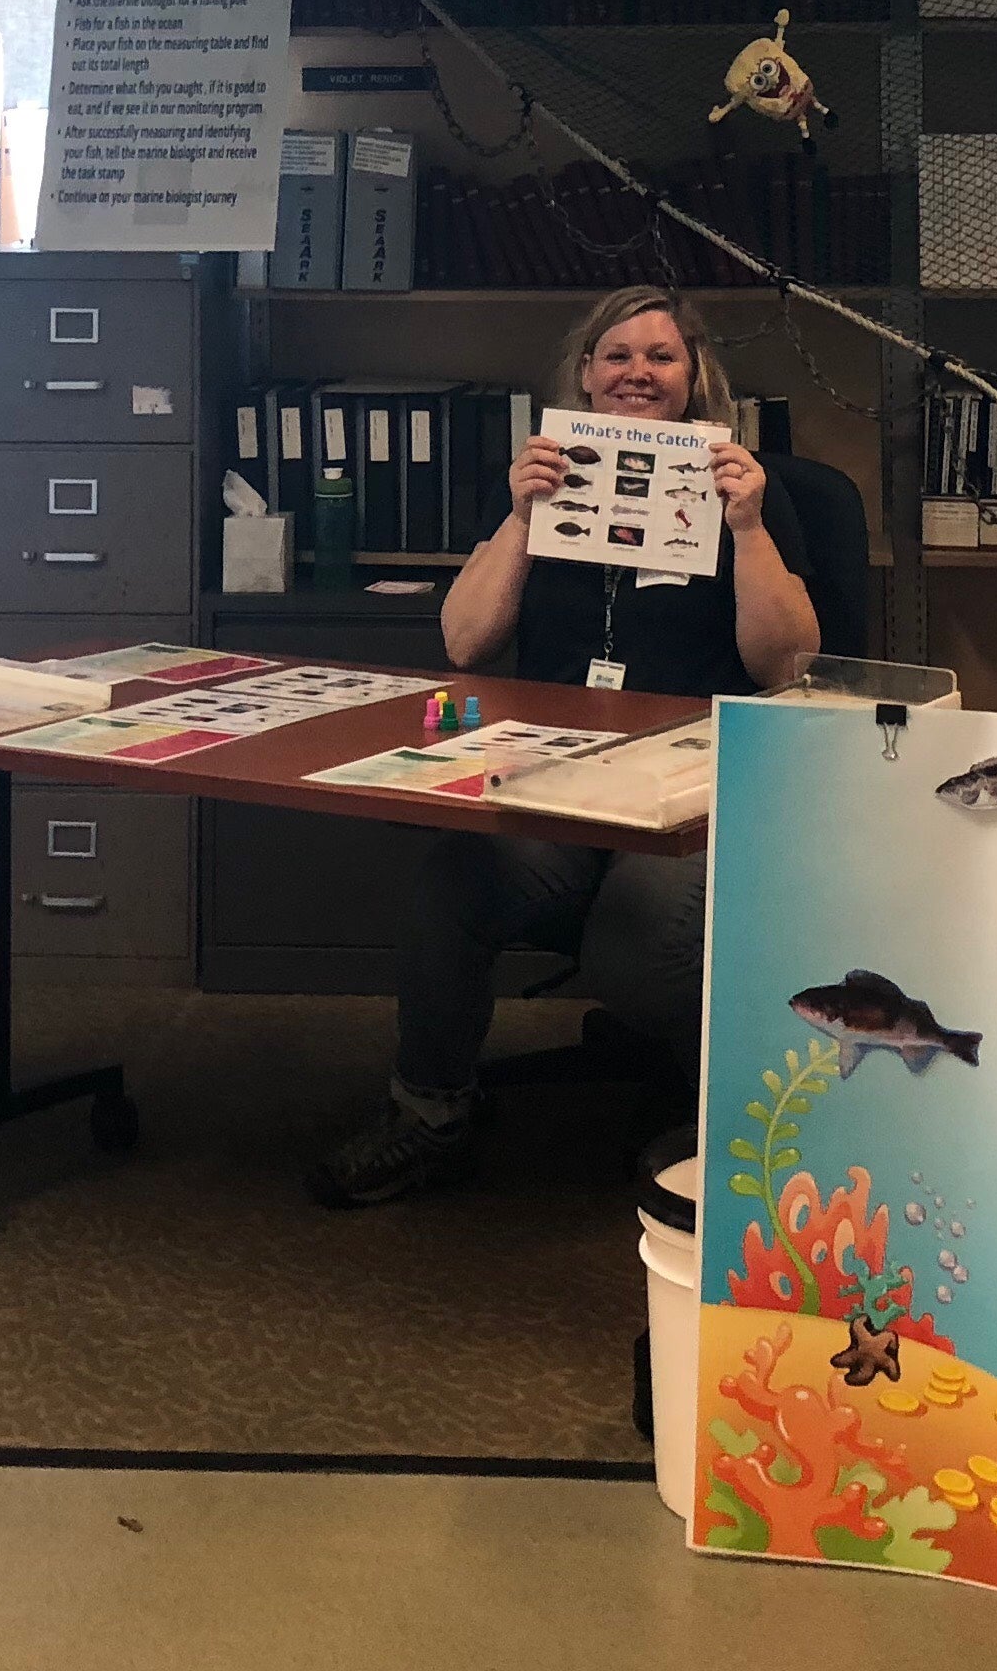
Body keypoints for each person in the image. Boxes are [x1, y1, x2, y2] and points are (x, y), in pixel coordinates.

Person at [306, 285, 818, 1207]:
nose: (637, 374)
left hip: (687, 799)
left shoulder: (743, 489)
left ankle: (715, 1120)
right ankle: (431, 1116)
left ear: (695, 376)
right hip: (565, 788)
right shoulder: (546, 482)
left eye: (661, 356)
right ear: (585, 374)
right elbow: (464, 642)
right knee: (451, 883)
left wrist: (745, 527)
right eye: (616, 356)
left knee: (640, 943)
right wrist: (520, 520)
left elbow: (786, 664)